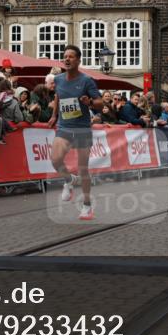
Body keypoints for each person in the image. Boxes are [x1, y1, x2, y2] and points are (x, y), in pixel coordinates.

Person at [48, 45, 103, 221]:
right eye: (65, 56)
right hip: (64, 126)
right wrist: (54, 115)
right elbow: (58, 95)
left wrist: (90, 103)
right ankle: (68, 180)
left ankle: (87, 206)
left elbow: (100, 103)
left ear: (78, 60)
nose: (67, 59)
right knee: (55, 159)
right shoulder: (58, 79)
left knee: (83, 169)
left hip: (82, 128)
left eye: (71, 56)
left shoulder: (87, 81)